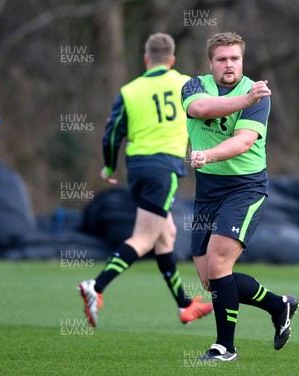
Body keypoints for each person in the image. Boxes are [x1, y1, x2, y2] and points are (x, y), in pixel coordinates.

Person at [78, 33, 213, 328]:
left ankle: (184, 304)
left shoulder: (129, 90)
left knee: (166, 234)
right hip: (163, 169)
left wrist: (108, 167)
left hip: (137, 168)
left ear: (146, 59)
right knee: (144, 238)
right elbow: (207, 113)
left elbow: (112, 133)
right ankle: (96, 286)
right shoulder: (185, 83)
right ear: (173, 60)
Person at [182, 32, 299, 361]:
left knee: (219, 263)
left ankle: (225, 347)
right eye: (222, 59)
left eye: (234, 58)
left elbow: (243, 142)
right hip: (207, 193)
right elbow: (202, 109)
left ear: (242, 61)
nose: (228, 64)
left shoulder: (258, 93)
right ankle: (280, 306)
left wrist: (208, 155)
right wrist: (243, 100)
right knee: (210, 279)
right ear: (211, 64)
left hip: (245, 188)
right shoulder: (193, 86)